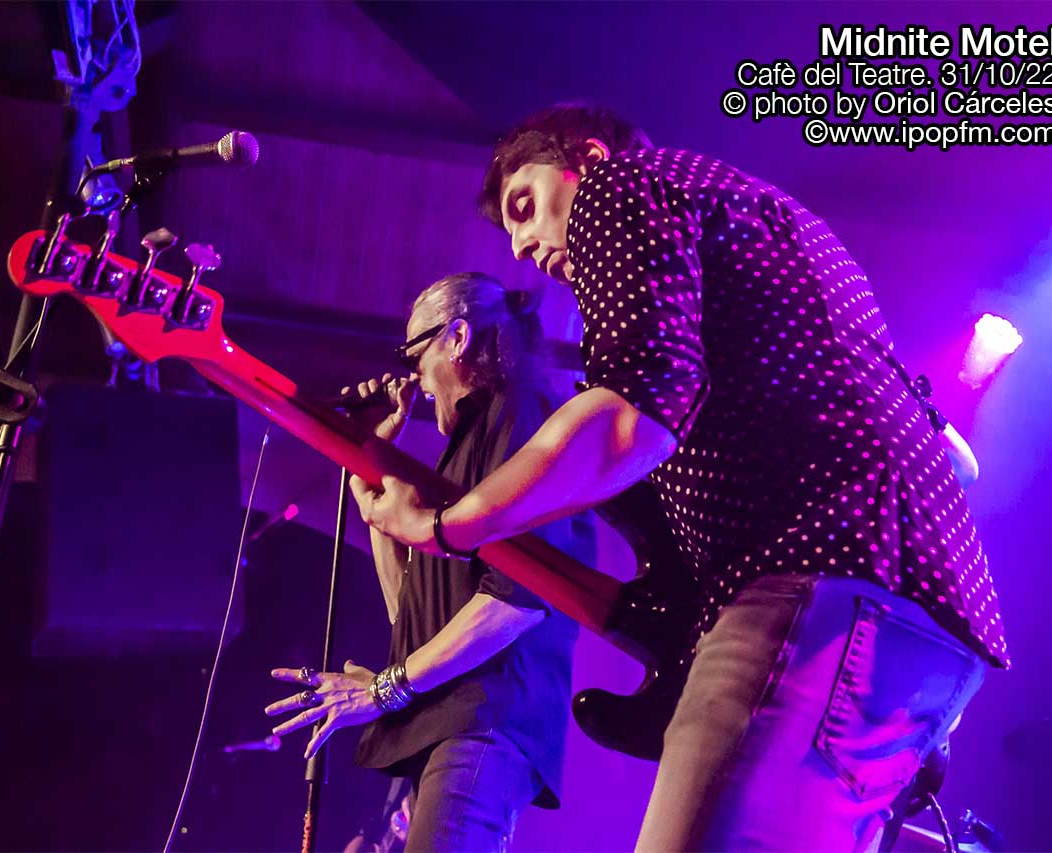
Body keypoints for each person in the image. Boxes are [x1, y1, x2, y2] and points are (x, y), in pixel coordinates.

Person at [353, 103, 1009, 851]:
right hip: (930, 626)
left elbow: (631, 417)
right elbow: (958, 461)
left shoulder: (622, 186)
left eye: (525, 205)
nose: (522, 245)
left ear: (587, 160)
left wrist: (445, 525)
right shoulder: (766, 229)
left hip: (821, 587)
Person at [266, 272, 589, 851]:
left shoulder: (520, 416)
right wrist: (371, 469)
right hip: (451, 723)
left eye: (414, 355)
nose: (413, 376)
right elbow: (409, 612)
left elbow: (518, 599)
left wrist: (385, 689)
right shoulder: (462, 453)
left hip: (486, 719)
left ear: (457, 338)